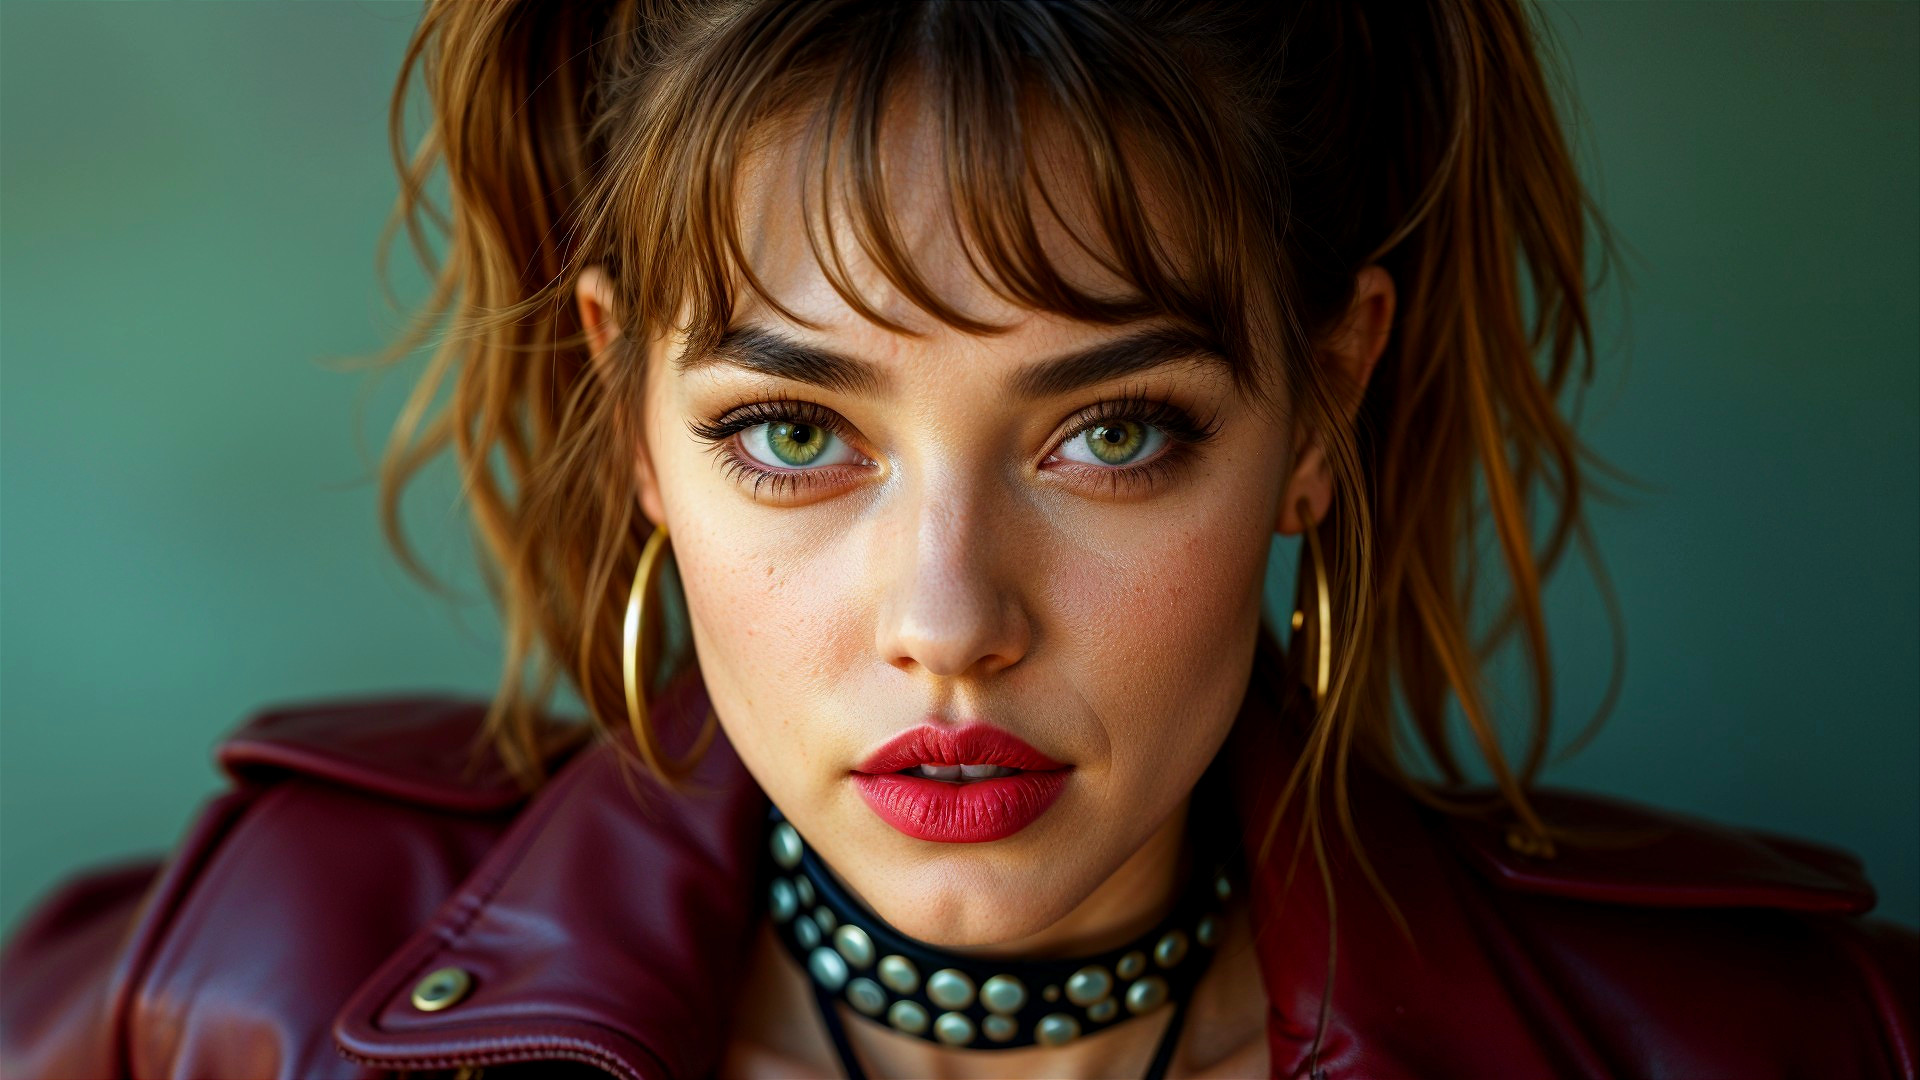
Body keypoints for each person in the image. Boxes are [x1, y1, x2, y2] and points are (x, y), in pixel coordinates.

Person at [3, 1, 1914, 1077]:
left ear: (1321, 407)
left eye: (1108, 433)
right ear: (628, 420)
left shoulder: (1790, 1051)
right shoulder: (220, 988)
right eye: (790, 431)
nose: (951, 623)